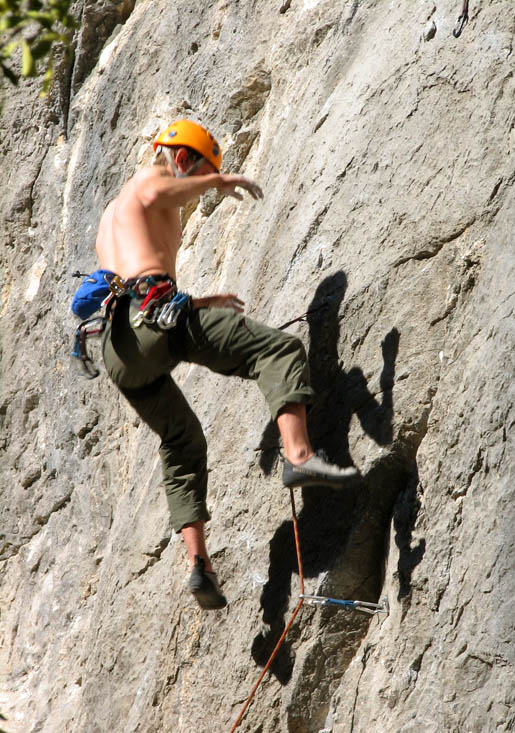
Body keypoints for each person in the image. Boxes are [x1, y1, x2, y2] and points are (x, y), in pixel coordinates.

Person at [96, 119, 359, 610]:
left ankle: (199, 564)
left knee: (183, 442)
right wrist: (220, 179)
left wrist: (196, 303)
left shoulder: (113, 216)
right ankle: (299, 458)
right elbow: (158, 195)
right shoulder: (151, 178)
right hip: (152, 320)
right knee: (278, 350)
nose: (195, 192)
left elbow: (134, 280)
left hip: (119, 348)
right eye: (197, 170)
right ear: (184, 158)